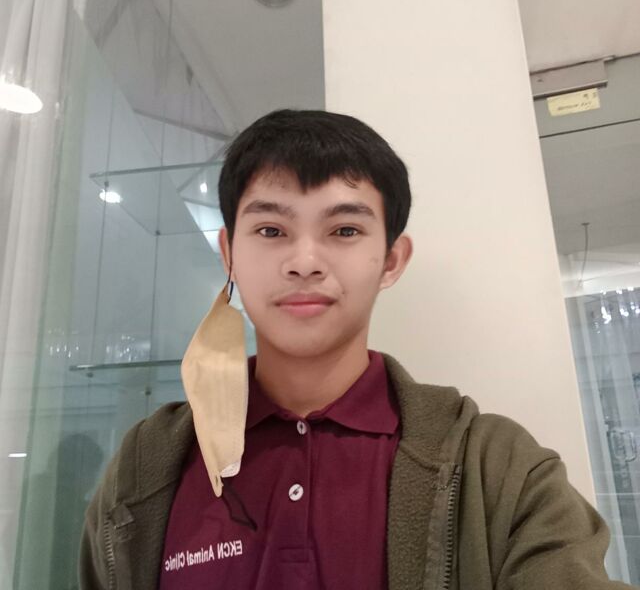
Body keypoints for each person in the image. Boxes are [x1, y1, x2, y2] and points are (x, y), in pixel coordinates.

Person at [78, 109, 635, 589]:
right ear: (229, 254)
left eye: (344, 230)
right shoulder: (147, 465)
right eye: (270, 230)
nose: (304, 262)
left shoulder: (501, 469)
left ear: (391, 260)